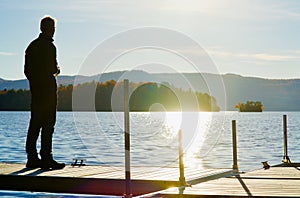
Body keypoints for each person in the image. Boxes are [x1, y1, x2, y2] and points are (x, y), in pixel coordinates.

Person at [24, 16, 65, 169]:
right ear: (49, 29)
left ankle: (32, 157)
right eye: (52, 27)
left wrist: (35, 83)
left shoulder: (31, 46)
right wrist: (58, 70)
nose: (53, 30)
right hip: (48, 91)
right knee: (48, 125)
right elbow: (52, 69)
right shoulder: (49, 46)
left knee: (34, 123)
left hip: (36, 92)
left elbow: (27, 71)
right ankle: (46, 157)